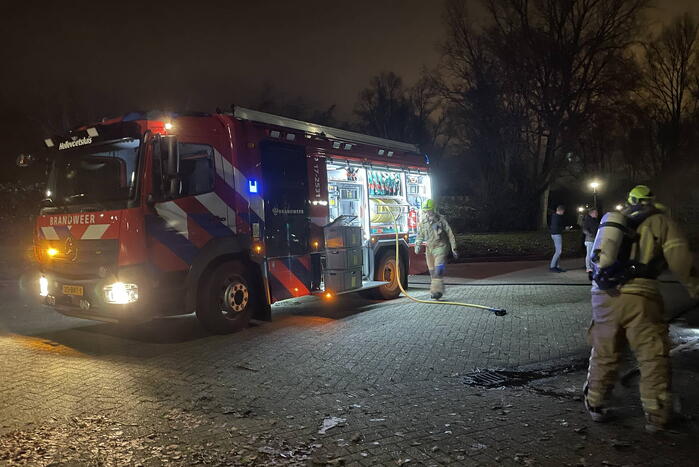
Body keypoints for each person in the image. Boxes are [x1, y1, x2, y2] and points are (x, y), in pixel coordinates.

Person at [584, 185, 699, 433]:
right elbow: (680, 259)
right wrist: (694, 287)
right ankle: (657, 414)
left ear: (630, 201)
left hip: (603, 295)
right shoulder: (660, 221)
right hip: (641, 296)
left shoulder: (616, 222)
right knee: (651, 354)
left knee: (604, 350)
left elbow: (599, 258)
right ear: (652, 200)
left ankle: (596, 403)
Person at [414, 199, 458, 300]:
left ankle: (436, 292)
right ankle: (438, 289)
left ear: (434, 209)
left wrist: (454, 248)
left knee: (439, 270)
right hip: (429, 250)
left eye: (429, 210)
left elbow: (450, 234)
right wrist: (418, 245)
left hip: (441, 248)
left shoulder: (441, 221)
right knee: (432, 273)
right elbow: (420, 235)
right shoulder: (423, 222)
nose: (428, 213)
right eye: (426, 211)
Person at [582, 209, 600, 273]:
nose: (597, 214)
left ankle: (592, 266)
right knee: (589, 254)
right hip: (590, 240)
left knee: (594, 254)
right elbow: (584, 229)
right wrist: (591, 234)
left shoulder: (595, 220)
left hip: (595, 239)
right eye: (596, 212)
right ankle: (588, 267)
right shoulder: (587, 220)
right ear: (591, 213)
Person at [549, 205, 566, 272]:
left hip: (554, 234)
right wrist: (563, 228)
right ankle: (552, 266)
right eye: (563, 211)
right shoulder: (557, 217)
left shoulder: (554, 216)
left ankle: (557, 266)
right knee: (558, 251)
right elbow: (557, 226)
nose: (563, 213)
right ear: (561, 210)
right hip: (557, 235)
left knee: (558, 251)